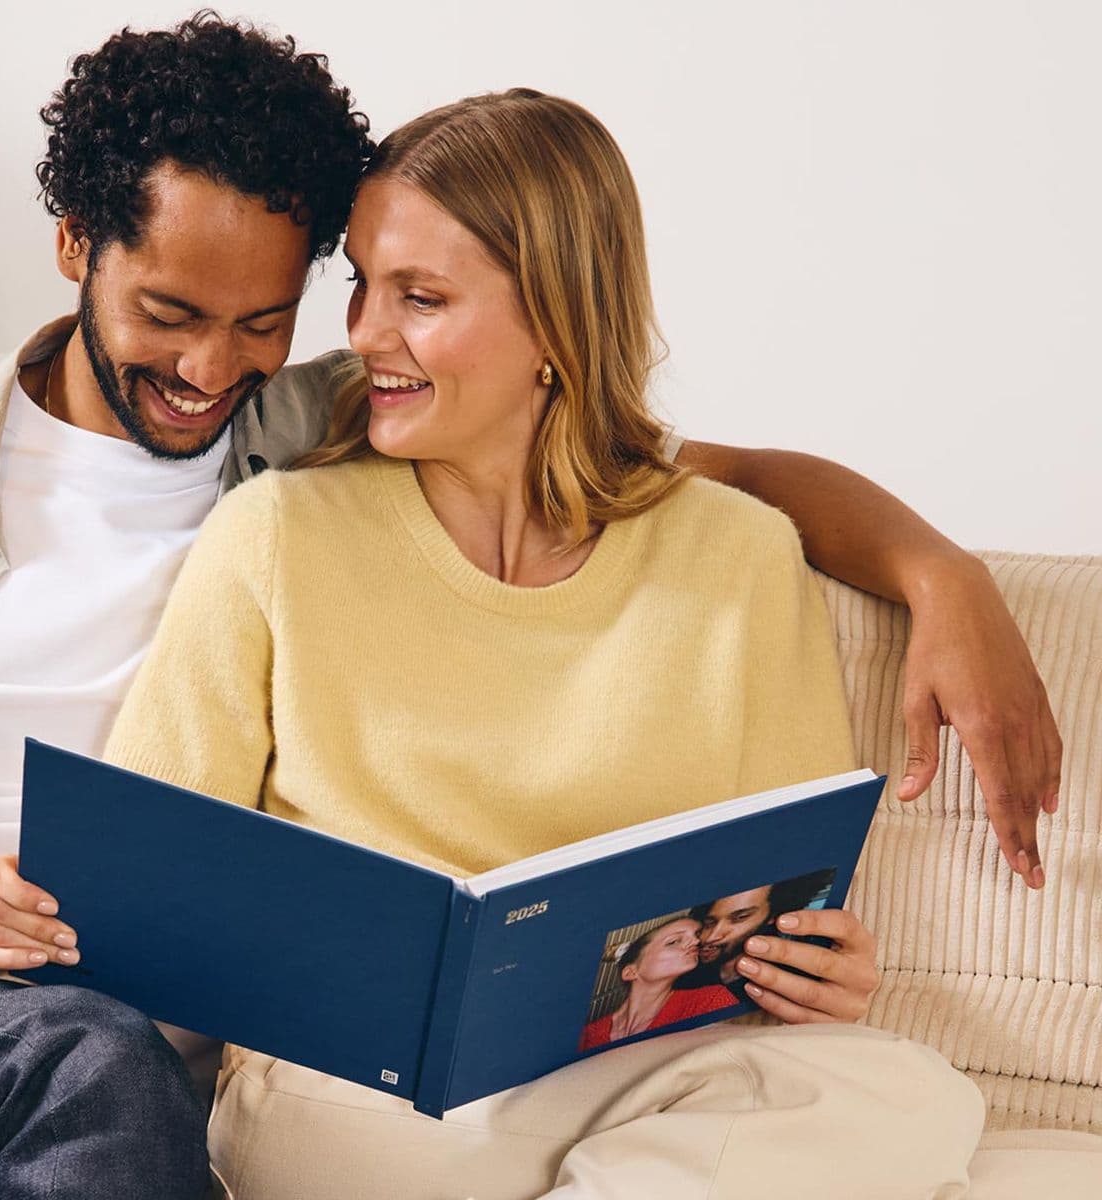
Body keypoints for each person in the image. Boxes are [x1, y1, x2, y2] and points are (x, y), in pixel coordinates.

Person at [0, 14, 1058, 1200]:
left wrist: (940, 575)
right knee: (87, 1089)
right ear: (72, 246)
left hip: (83, 1001)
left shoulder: (329, 422)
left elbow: (651, 472)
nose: (214, 371)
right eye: (169, 313)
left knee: (95, 1084)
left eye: (265, 319)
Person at [97, 88, 988, 1198]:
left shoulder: (741, 557)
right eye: (363, 286)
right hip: (358, 1093)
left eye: (419, 297)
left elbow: (775, 911)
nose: (366, 333)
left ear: (558, 325)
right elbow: (137, 891)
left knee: (902, 1088)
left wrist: (810, 975)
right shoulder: (276, 536)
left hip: (641, 1073)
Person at [579, 917, 738, 1051]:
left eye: (696, 936)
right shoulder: (589, 1036)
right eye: (674, 941)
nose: (696, 941)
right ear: (631, 972)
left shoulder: (709, 1002)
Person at [681, 870, 836, 1001]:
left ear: (772, 916)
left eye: (739, 918)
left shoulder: (790, 976)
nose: (712, 936)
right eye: (710, 922)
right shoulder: (685, 974)